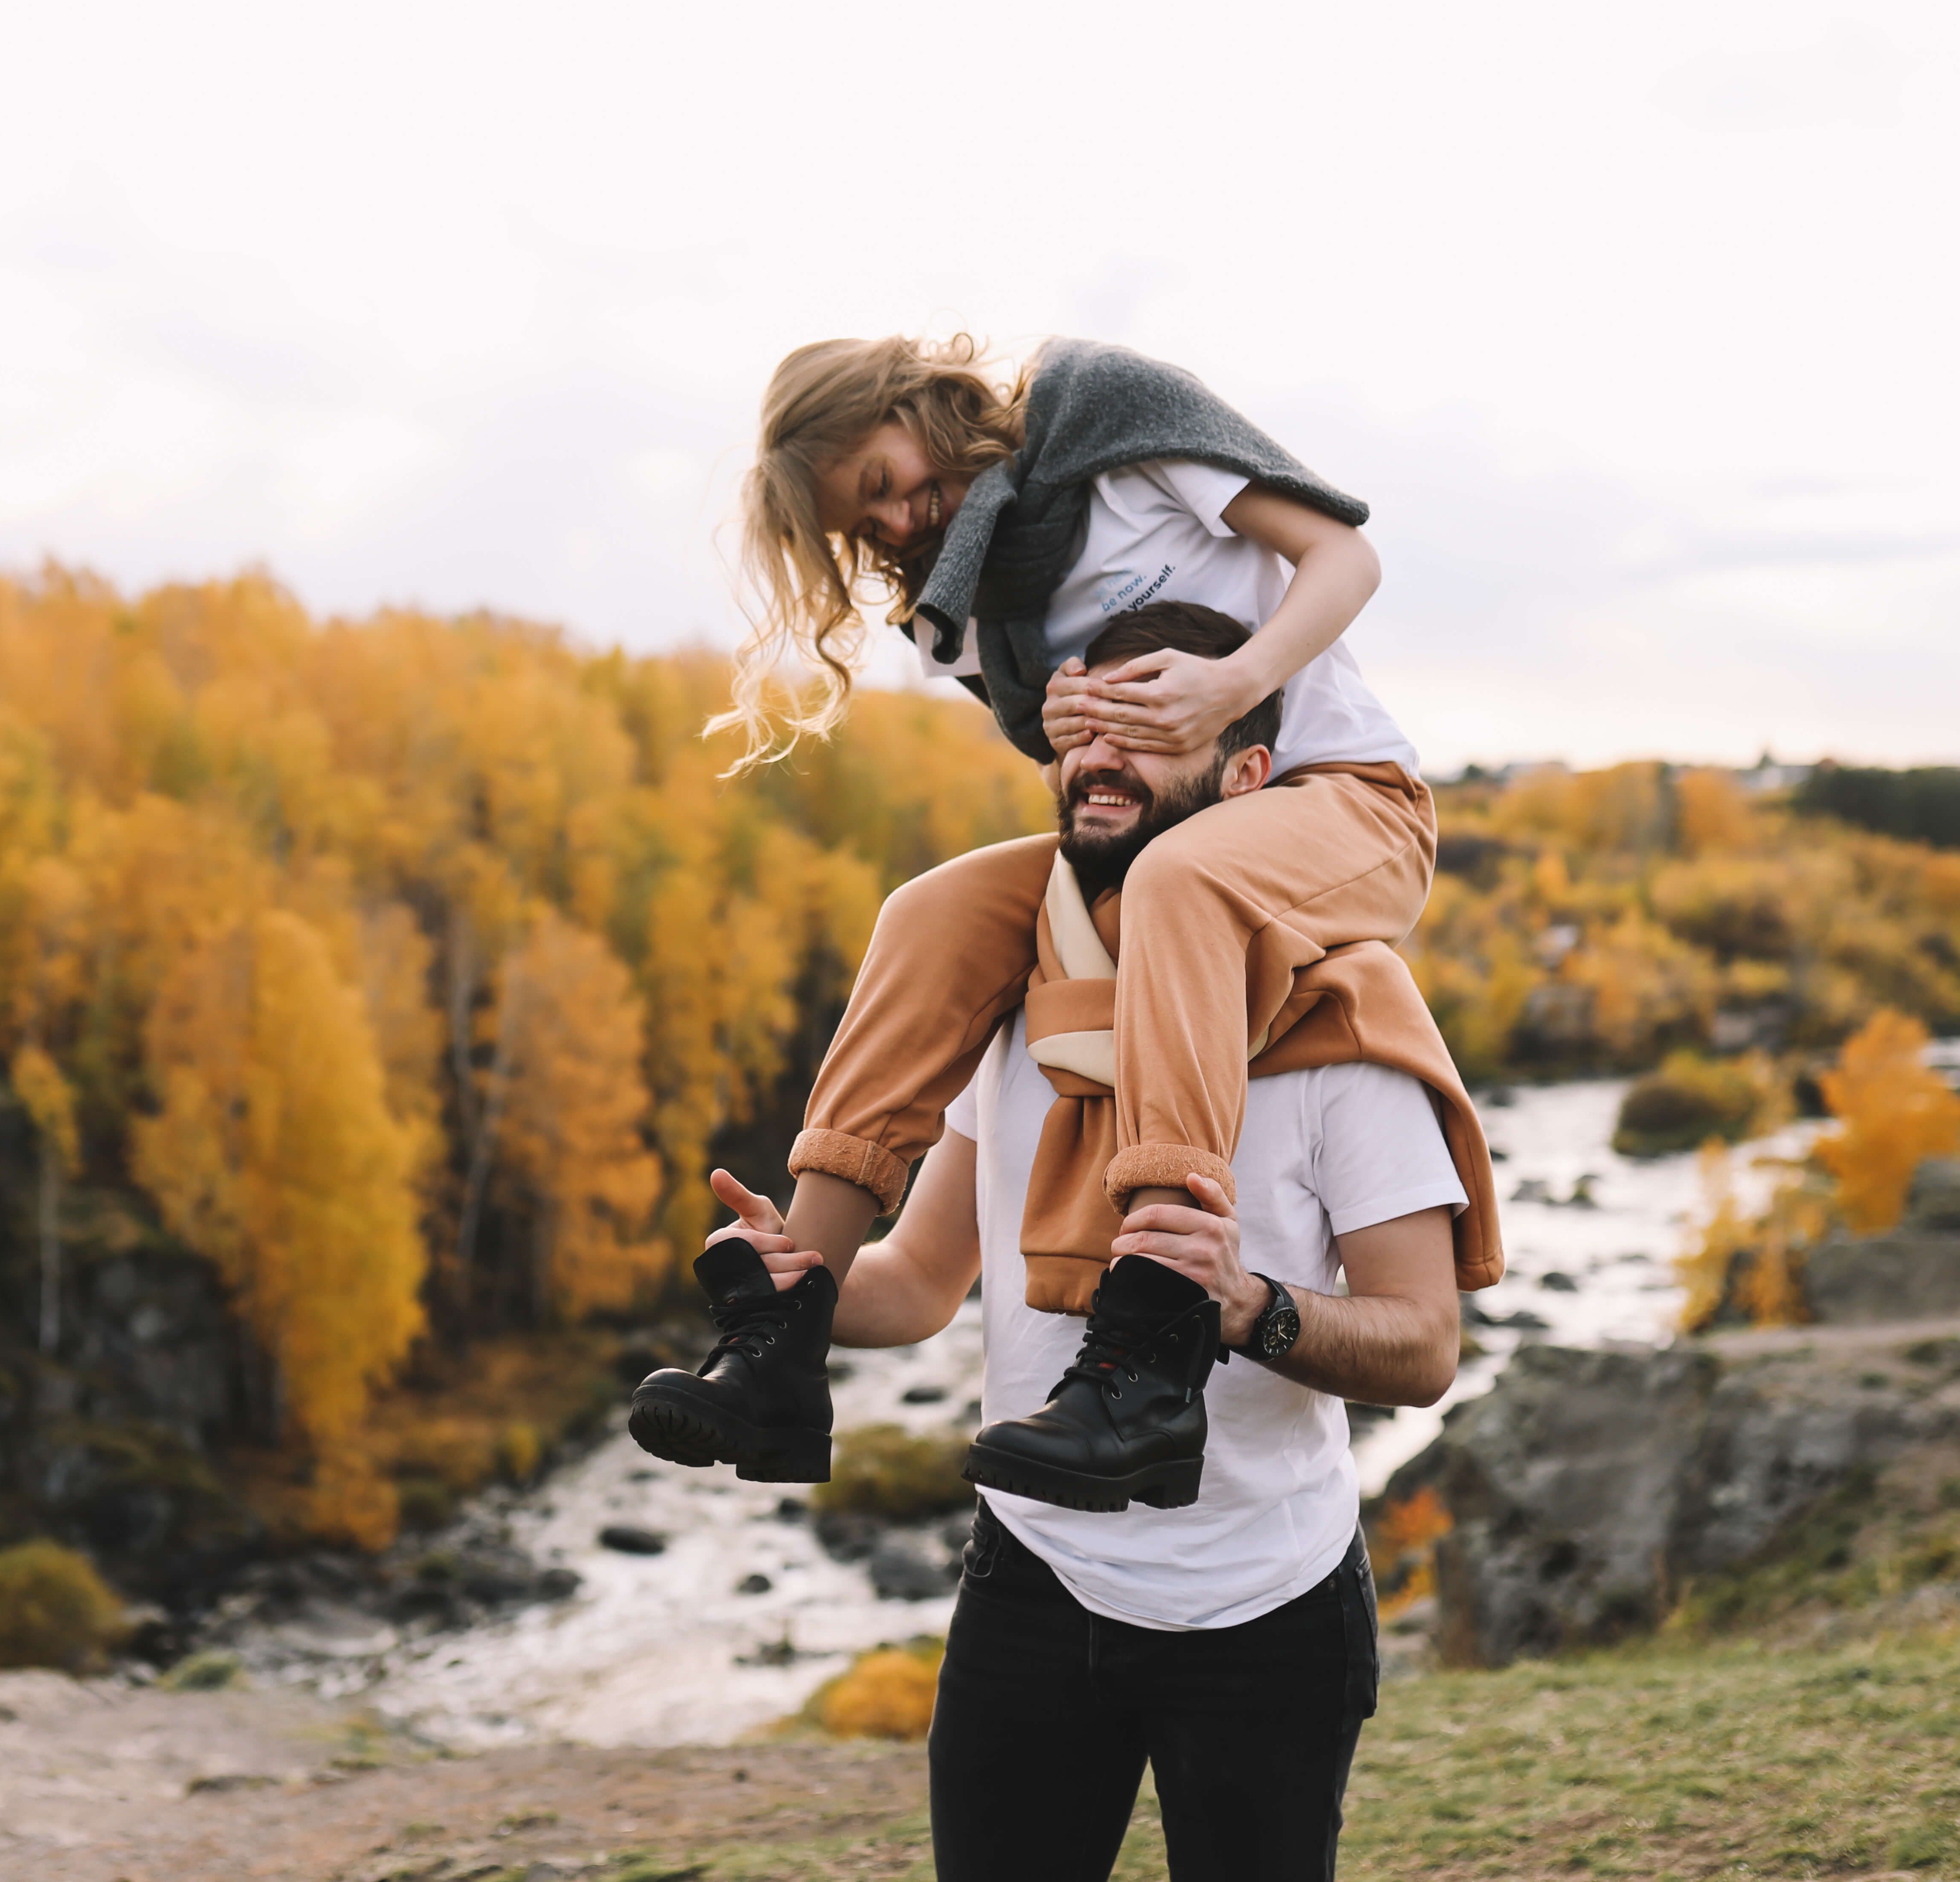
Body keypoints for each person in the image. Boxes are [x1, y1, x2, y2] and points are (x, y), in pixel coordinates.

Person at [630, 335, 1481, 1495]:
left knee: (1182, 883)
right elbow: (1086, 776)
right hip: (1164, 847)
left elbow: (1341, 555)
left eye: (880, 481)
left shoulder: (1102, 419)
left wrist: (1231, 685)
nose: (887, 523)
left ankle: (1148, 1352)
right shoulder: (959, 618)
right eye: (856, 526)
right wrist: (1064, 716)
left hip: (1341, 805)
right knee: (929, 909)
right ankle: (783, 1327)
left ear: (911, 402)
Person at [709, 605, 1474, 1876]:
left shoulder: (1345, 1038)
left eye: (1142, 726)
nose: (1095, 758)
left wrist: (1249, 1306)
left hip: (1263, 1605)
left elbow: (1424, 1345)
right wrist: (808, 1275)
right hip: (1034, 1574)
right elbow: (918, 1283)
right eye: (1076, 727)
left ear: (1247, 781)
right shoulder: (1008, 1009)